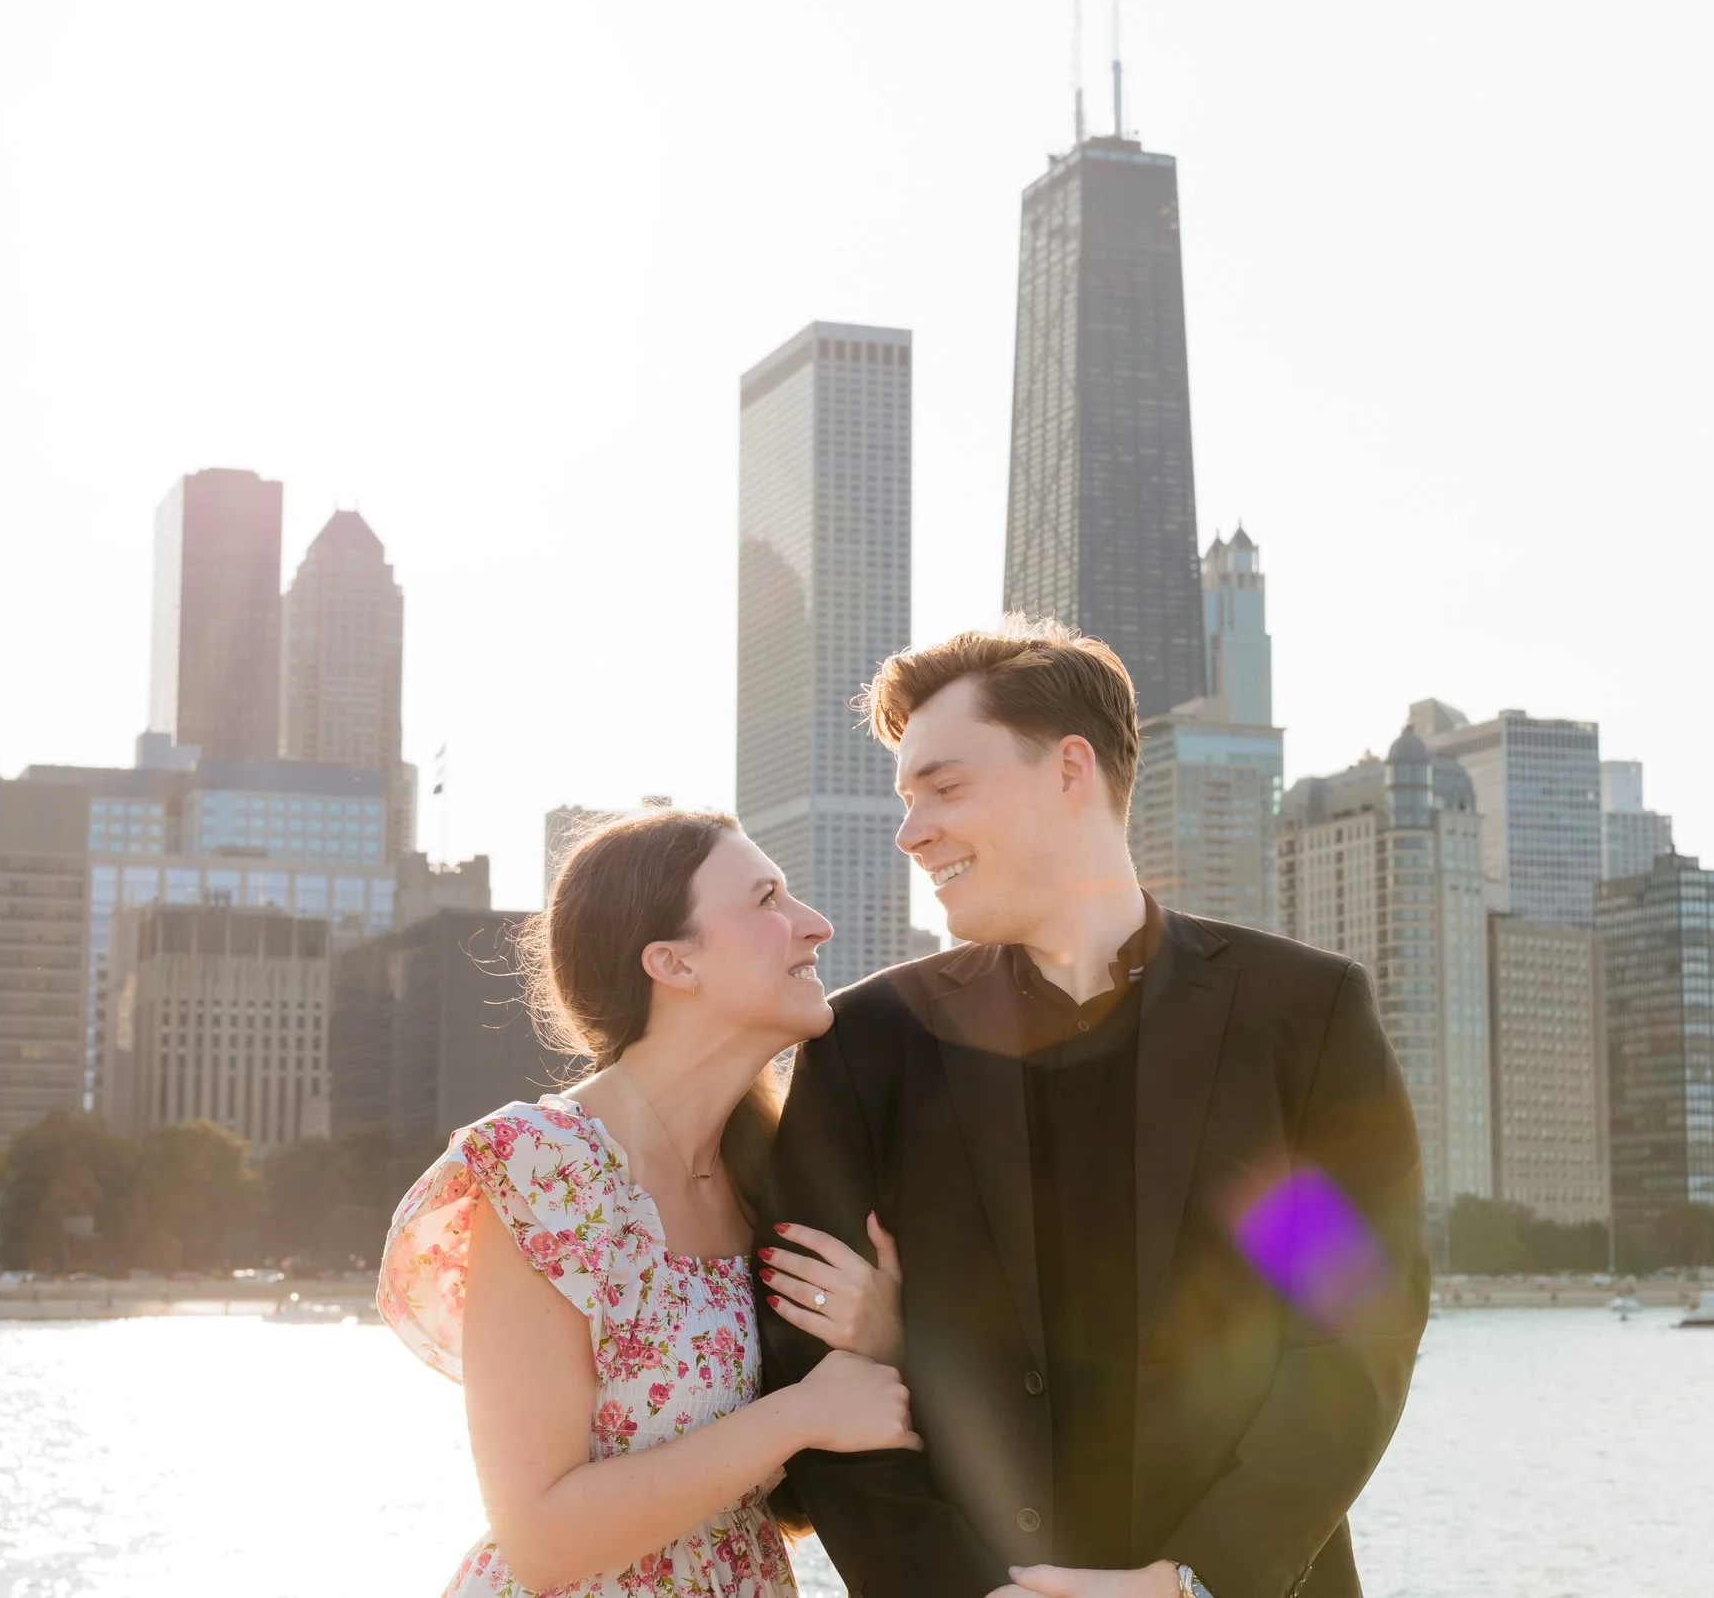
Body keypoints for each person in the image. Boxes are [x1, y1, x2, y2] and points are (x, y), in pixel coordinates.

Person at [758, 623, 1429, 1598]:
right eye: (907, 801)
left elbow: (1347, 1333)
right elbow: (814, 1370)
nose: (910, 831)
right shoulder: (863, 1046)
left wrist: (1192, 1580)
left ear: (1070, 768)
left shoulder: (1295, 1016)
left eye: (944, 788)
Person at [379, 809, 917, 1597]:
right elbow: (544, 1541)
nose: (816, 925)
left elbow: (804, 1486)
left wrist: (885, 1333)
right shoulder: (547, 1169)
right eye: (768, 898)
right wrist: (800, 1412)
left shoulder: (775, 1177)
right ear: (672, 962)